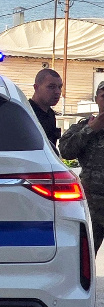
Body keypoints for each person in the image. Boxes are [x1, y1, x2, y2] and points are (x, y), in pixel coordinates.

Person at [58, 80, 104, 252]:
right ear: (96, 99)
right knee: (85, 255)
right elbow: (66, 151)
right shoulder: (83, 126)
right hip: (92, 204)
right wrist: (91, 129)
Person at [29, 68, 63, 149]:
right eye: (51, 87)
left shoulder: (50, 114)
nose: (57, 92)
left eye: (59, 87)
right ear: (36, 87)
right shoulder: (27, 113)